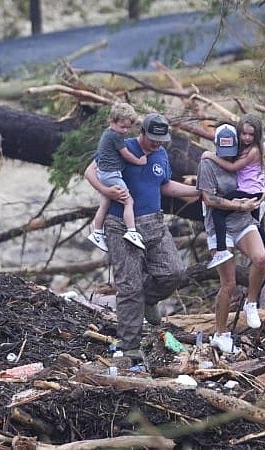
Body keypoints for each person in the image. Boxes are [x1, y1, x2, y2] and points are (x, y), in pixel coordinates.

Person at [84, 113, 199, 359]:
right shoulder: (121, 145)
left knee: (174, 271)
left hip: (154, 222)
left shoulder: (161, 154)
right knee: (129, 286)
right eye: (153, 139)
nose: (157, 144)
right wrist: (106, 191)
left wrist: (196, 191)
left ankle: (147, 300)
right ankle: (130, 346)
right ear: (143, 132)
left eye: (161, 140)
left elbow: (164, 185)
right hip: (120, 225)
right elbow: (90, 172)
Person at [196, 123, 265, 354]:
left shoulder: (243, 155)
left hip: (243, 220)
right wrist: (239, 204)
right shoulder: (207, 164)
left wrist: (262, 192)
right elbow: (208, 199)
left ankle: (251, 302)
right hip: (219, 227)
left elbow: (253, 175)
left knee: (261, 259)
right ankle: (220, 333)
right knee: (228, 283)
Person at [201, 114, 265, 269]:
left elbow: (233, 167)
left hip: (249, 191)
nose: (247, 137)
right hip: (255, 190)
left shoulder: (253, 151)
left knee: (217, 212)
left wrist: (211, 155)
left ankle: (221, 250)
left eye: (251, 134)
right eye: (244, 133)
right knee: (256, 222)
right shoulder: (247, 149)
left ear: (257, 135)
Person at [87, 102, 147, 252]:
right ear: (112, 121)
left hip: (103, 173)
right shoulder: (115, 136)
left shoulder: (108, 133)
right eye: (122, 127)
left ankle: (97, 232)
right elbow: (125, 154)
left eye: (127, 127)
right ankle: (131, 231)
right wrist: (139, 161)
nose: (125, 131)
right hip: (111, 174)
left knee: (105, 203)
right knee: (128, 201)